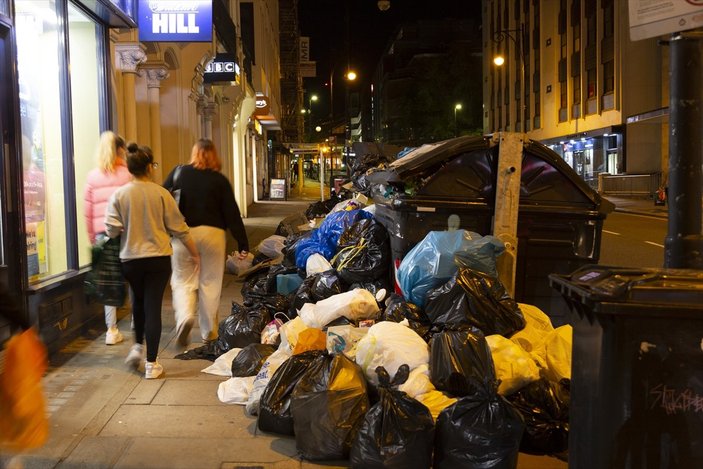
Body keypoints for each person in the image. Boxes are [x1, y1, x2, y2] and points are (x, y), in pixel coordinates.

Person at [105, 144, 199, 379]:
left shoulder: (120, 194)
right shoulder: (161, 194)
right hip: (157, 258)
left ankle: (137, 348)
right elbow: (180, 228)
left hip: (130, 259)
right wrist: (194, 253)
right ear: (149, 167)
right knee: (152, 306)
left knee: (137, 302)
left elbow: (112, 229)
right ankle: (151, 364)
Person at [163, 139, 249, 347]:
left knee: (183, 281)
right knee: (210, 283)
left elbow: (163, 198)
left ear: (194, 153)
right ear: (214, 156)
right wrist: (242, 242)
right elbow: (231, 212)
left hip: (184, 234)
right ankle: (209, 331)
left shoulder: (179, 173)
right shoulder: (219, 180)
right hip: (214, 235)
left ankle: (184, 317)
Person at [83, 131, 131, 345]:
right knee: (132, 278)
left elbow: (88, 210)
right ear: (121, 150)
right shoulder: (128, 175)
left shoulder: (92, 177)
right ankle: (137, 323)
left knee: (109, 282)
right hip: (126, 234)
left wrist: (93, 237)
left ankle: (111, 330)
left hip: (103, 234)